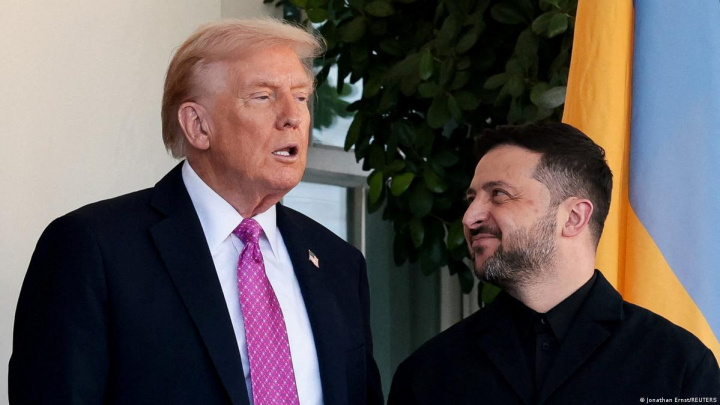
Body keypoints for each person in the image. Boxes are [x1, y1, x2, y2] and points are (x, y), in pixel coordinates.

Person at [10, 18, 383, 405]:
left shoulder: (339, 264)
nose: (293, 116)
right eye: (263, 96)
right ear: (198, 125)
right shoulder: (93, 249)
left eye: (301, 97)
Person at [388, 123, 720, 404]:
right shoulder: (428, 374)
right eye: (472, 198)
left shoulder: (679, 367)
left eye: (499, 194)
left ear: (574, 217)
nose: (470, 217)